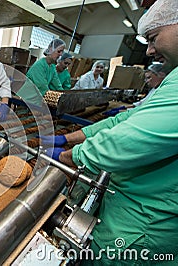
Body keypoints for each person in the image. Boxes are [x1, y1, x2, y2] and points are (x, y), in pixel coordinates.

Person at [40, 0, 178, 264]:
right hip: (133, 211)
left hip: (146, 227)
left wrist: (70, 156)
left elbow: (126, 141)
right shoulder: (174, 77)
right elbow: (123, 123)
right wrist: (67, 139)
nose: (148, 50)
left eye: (153, 38)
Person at [102, 63, 166, 116]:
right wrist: (124, 107)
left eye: (149, 78)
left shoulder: (162, 92)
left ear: (161, 75)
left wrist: (121, 111)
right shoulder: (154, 89)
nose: (146, 81)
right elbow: (141, 103)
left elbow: (143, 109)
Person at [16, 38, 65, 106]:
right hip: (26, 98)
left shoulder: (52, 67)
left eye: (62, 52)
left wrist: (63, 95)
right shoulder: (39, 65)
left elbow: (56, 84)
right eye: (59, 51)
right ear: (51, 49)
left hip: (35, 99)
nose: (61, 54)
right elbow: (42, 86)